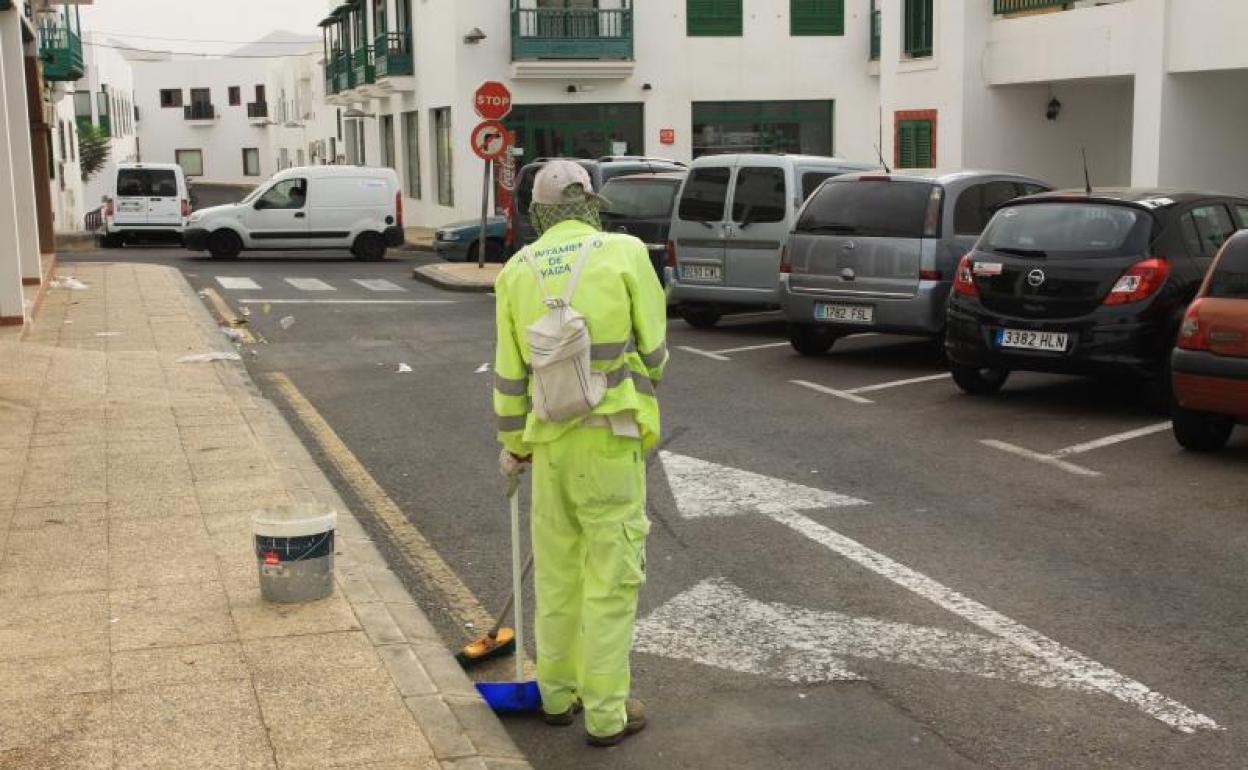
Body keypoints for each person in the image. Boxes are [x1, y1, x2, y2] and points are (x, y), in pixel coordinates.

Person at [493, 160, 668, 747]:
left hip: (548, 448)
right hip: (610, 440)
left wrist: (514, 448)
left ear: (540, 212)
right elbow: (658, 350)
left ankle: (555, 695)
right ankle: (606, 716)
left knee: (559, 579)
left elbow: (508, 378)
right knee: (611, 584)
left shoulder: (516, 270)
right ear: (589, 202)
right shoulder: (623, 253)